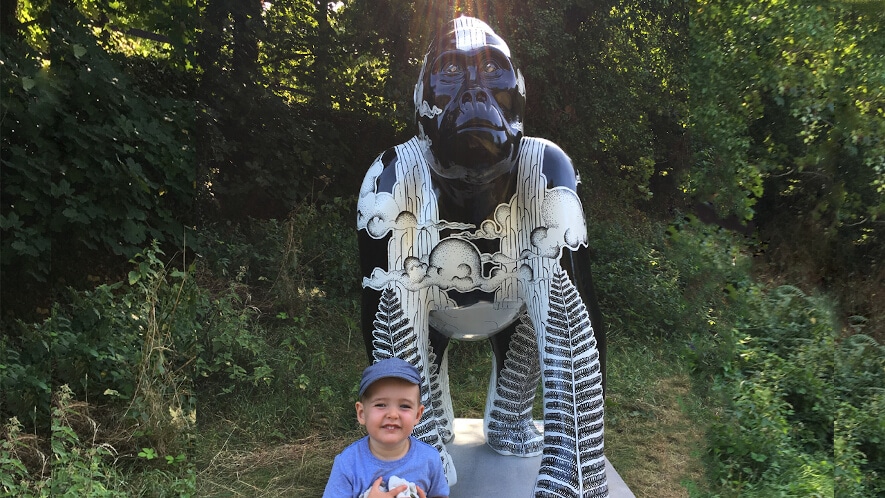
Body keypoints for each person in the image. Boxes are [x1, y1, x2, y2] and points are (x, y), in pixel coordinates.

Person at [323, 357, 450, 498]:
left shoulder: (429, 459)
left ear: (418, 414)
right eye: (381, 405)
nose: (393, 414)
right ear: (362, 413)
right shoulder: (348, 463)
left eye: (405, 406)